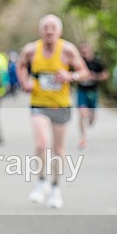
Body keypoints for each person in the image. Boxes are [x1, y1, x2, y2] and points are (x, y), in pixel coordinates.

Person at [16, 14, 90, 209]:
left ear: (60, 31)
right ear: (41, 31)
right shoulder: (32, 49)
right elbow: (21, 65)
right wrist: (24, 82)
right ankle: (41, 181)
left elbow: (84, 73)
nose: (49, 30)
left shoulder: (67, 50)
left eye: (53, 27)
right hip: (39, 103)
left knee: (58, 149)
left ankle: (55, 187)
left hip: (61, 105)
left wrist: (69, 75)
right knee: (41, 143)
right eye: (46, 27)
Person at [76, 42, 109, 150]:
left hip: (93, 91)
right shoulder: (78, 62)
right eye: (82, 51)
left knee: (92, 118)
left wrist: (96, 77)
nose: (84, 52)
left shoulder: (97, 62)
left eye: (86, 50)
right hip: (82, 91)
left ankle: (90, 120)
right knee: (82, 114)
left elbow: (106, 74)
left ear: (90, 51)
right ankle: (83, 139)